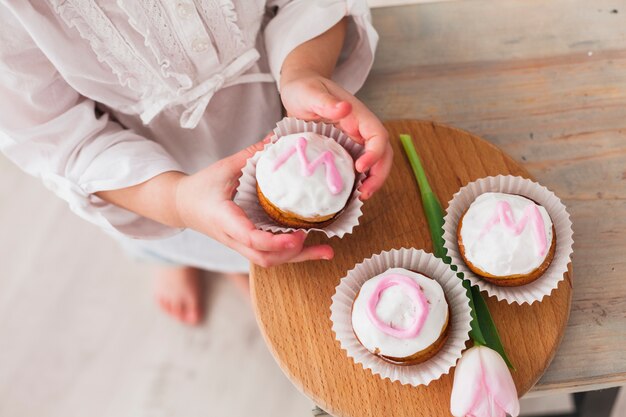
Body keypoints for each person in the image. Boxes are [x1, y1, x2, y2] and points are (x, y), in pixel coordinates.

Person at [0, 1, 392, 324]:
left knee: (266, 239)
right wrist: (177, 202)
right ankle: (182, 259)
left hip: (276, 111)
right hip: (150, 176)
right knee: (177, 238)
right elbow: (59, 137)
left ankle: (234, 260)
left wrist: (303, 73)